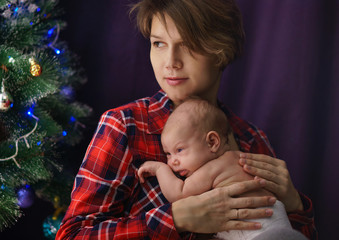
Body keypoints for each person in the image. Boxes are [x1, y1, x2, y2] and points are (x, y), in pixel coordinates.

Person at [56, 0, 317, 239]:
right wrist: (177, 218)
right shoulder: (125, 125)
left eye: (188, 45)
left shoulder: (251, 139)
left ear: (221, 49)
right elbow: (72, 234)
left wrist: (294, 203)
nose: (170, 62)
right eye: (159, 43)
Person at [137, 98, 307, 240]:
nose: (172, 162)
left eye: (179, 150)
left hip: (257, 229)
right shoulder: (240, 158)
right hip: (277, 222)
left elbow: (179, 193)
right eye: (167, 154)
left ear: (212, 142)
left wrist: (159, 169)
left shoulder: (213, 168)